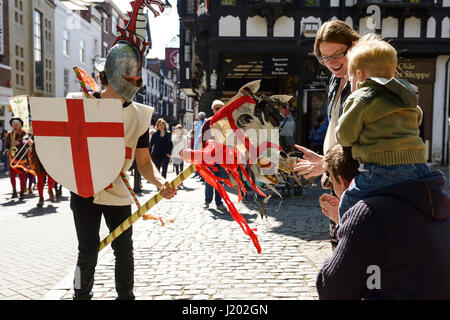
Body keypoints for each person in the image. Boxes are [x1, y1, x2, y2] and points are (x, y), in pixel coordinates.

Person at [71, 10, 177, 300]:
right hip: (84, 190)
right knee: (86, 251)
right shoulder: (79, 105)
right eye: (129, 77)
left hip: (117, 190)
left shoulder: (140, 117)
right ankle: (80, 294)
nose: (134, 83)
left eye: (137, 79)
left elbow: (144, 162)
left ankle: (125, 296)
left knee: (123, 249)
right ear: (112, 75)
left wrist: (159, 182)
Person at [316, 144, 450, 299]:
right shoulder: (432, 200)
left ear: (344, 183)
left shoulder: (369, 215)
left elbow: (332, 290)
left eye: (331, 182)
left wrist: (345, 223)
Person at [335, 34, 428, 221]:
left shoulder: (362, 96)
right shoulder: (405, 95)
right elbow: (418, 116)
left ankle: (348, 237)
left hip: (382, 167)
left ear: (359, 75)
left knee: (349, 201)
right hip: (418, 165)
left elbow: (344, 136)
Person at [293, 20, 361, 250]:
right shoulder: (335, 80)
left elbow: (361, 140)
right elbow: (336, 128)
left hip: (356, 183)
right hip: (337, 179)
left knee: (353, 253)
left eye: (337, 54)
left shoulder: (363, 80)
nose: (331, 63)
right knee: (340, 247)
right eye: (324, 57)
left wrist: (327, 164)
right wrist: (326, 164)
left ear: (353, 46)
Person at [200, 100, 226, 210]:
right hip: (210, 155)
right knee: (209, 179)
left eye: (220, 107)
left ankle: (219, 202)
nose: (218, 109)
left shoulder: (226, 122)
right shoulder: (208, 122)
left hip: (223, 155)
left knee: (220, 180)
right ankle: (207, 201)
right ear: (213, 109)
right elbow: (203, 139)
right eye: (216, 107)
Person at [3, 118, 28, 199]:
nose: (15, 127)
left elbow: (28, 143)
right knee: (12, 176)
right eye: (14, 125)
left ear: (20, 125)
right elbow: (6, 145)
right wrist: (6, 151)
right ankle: (14, 191)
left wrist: (20, 142)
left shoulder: (24, 133)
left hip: (21, 158)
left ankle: (22, 191)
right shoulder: (10, 134)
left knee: (22, 176)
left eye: (17, 125)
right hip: (12, 157)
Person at [28, 138, 56, 207]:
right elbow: (28, 139)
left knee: (52, 178)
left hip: (49, 157)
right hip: (38, 158)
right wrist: (30, 142)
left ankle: (50, 190)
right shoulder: (33, 130)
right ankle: (41, 197)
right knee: (40, 180)